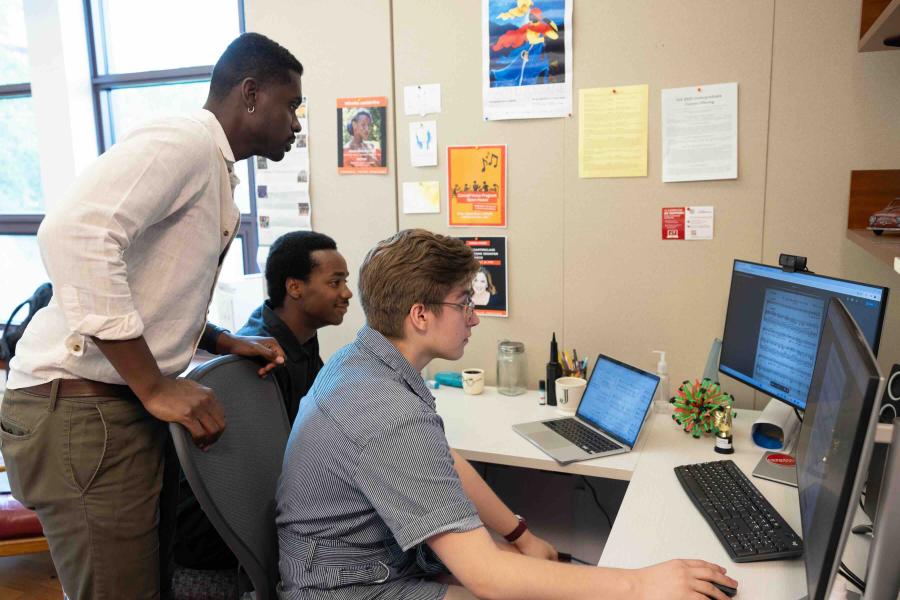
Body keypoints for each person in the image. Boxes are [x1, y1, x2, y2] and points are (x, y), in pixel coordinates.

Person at [0, 32, 304, 600]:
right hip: (80, 408)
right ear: (251, 94)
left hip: (110, 407)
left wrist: (214, 337)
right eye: (291, 105)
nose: (296, 123)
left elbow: (155, 281)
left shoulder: (214, 168)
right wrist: (154, 384)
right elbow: (74, 233)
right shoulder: (185, 141)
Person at [276, 229, 738, 599]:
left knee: (528, 570)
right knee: (518, 583)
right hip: (345, 586)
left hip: (366, 558)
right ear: (420, 315)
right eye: (464, 303)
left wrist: (520, 534)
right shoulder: (386, 409)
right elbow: (487, 577)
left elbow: (441, 459)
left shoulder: (362, 359)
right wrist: (641, 585)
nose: (474, 317)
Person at [174, 231, 352, 571]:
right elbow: (267, 466)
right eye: (335, 282)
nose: (346, 293)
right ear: (295, 288)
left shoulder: (300, 341)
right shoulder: (257, 361)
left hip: (270, 502)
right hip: (221, 531)